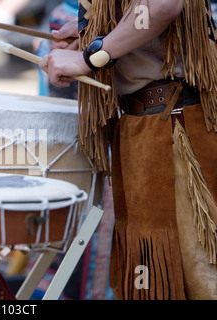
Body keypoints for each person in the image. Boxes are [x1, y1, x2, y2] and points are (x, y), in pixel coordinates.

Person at [40, 0, 217, 300]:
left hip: (176, 129)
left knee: (187, 275)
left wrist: (90, 57)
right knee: (147, 272)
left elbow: (162, 4)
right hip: (149, 129)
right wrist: (92, 32)